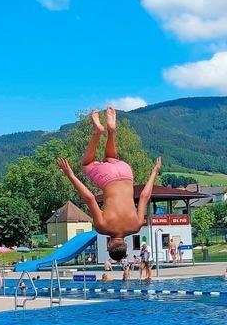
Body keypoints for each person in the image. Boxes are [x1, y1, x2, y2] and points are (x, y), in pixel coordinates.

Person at [57, 106, 162, 262]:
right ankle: (98, 132)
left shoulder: (136, 226)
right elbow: (90, 198)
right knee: (86, 164)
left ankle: (112, 131)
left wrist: (154, 171)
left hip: (126, 173)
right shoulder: (102, 228)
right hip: (109, 179)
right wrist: (70, 175)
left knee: (110, 158)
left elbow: (145, 196)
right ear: (109, 245)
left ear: (125, 244)